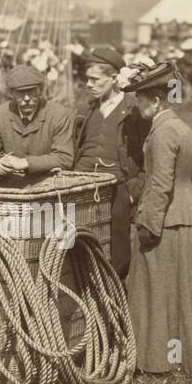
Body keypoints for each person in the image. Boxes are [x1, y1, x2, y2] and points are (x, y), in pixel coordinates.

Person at [121, 62, 192, 376]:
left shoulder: (160, 133)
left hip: (168, 221)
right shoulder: (183, 128)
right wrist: (184, 198)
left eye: (140, 100)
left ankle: (159, 360)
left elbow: (159, 184)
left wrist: (147, 224)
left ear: (156, 100)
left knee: (158, 289)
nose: (138, 106)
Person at [73, 46, 146, 278]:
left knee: (118, 244)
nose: (89, 84)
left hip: (118, 186)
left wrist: (134, 188)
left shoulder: (134, 110)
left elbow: (147, 152)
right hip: (81, 184)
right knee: (76, 239)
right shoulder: (87, 109)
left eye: (95, 79)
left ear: (114, 78)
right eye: (88, 79)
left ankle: (114, 294)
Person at [0, 64, 73, 183]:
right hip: (9, 186)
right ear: (11, 94)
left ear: (41, 91)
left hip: (46, 186)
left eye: (32, 91)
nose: (27, 98)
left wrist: (25, 163)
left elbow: (64, 157)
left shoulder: (58, 115)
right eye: (21, 92)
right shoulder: (0, 114)